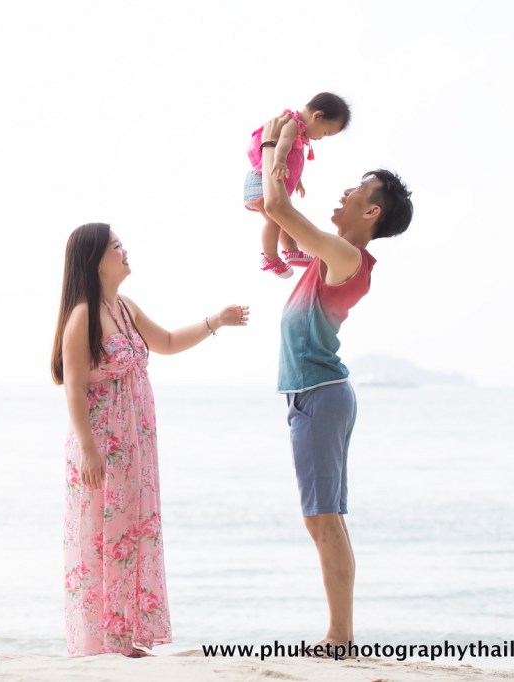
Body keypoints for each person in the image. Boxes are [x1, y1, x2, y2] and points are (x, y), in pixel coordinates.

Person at [51, 223, 248, 657]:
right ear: (95, 260)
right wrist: (88, 449)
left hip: (135, 445)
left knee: (131, 533)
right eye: (116, 246)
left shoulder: (126, 308)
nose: (125, 251)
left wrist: (216, 320)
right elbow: (74, 387)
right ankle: (99, 642)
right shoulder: (83, 315)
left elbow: (169, 342)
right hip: (102, 445)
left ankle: (125, 637)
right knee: (102, 537)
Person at [256, 115, 413, 651]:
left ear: (372, 212)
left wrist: (274, 146)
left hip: (320, 395)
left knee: (323, 519)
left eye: (358, 190)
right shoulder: (331, 253)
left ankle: (339, 637)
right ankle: (340, 634)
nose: (345, 192)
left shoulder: (346, 256)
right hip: (316, 396)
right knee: (325, 519)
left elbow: (277, 207)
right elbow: (276, 221)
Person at [244, 92, 351, 279]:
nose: (320, 138)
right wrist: (279, 161)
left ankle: (291, 251)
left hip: (270, 180)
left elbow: (293, 160)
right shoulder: (292, 123)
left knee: (284, 218)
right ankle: (269, 257)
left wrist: (297, 180)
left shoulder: (300, 131)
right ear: (317, 116)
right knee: (275, 220)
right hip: (260, 180)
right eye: (325, 133)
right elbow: (283, 143)